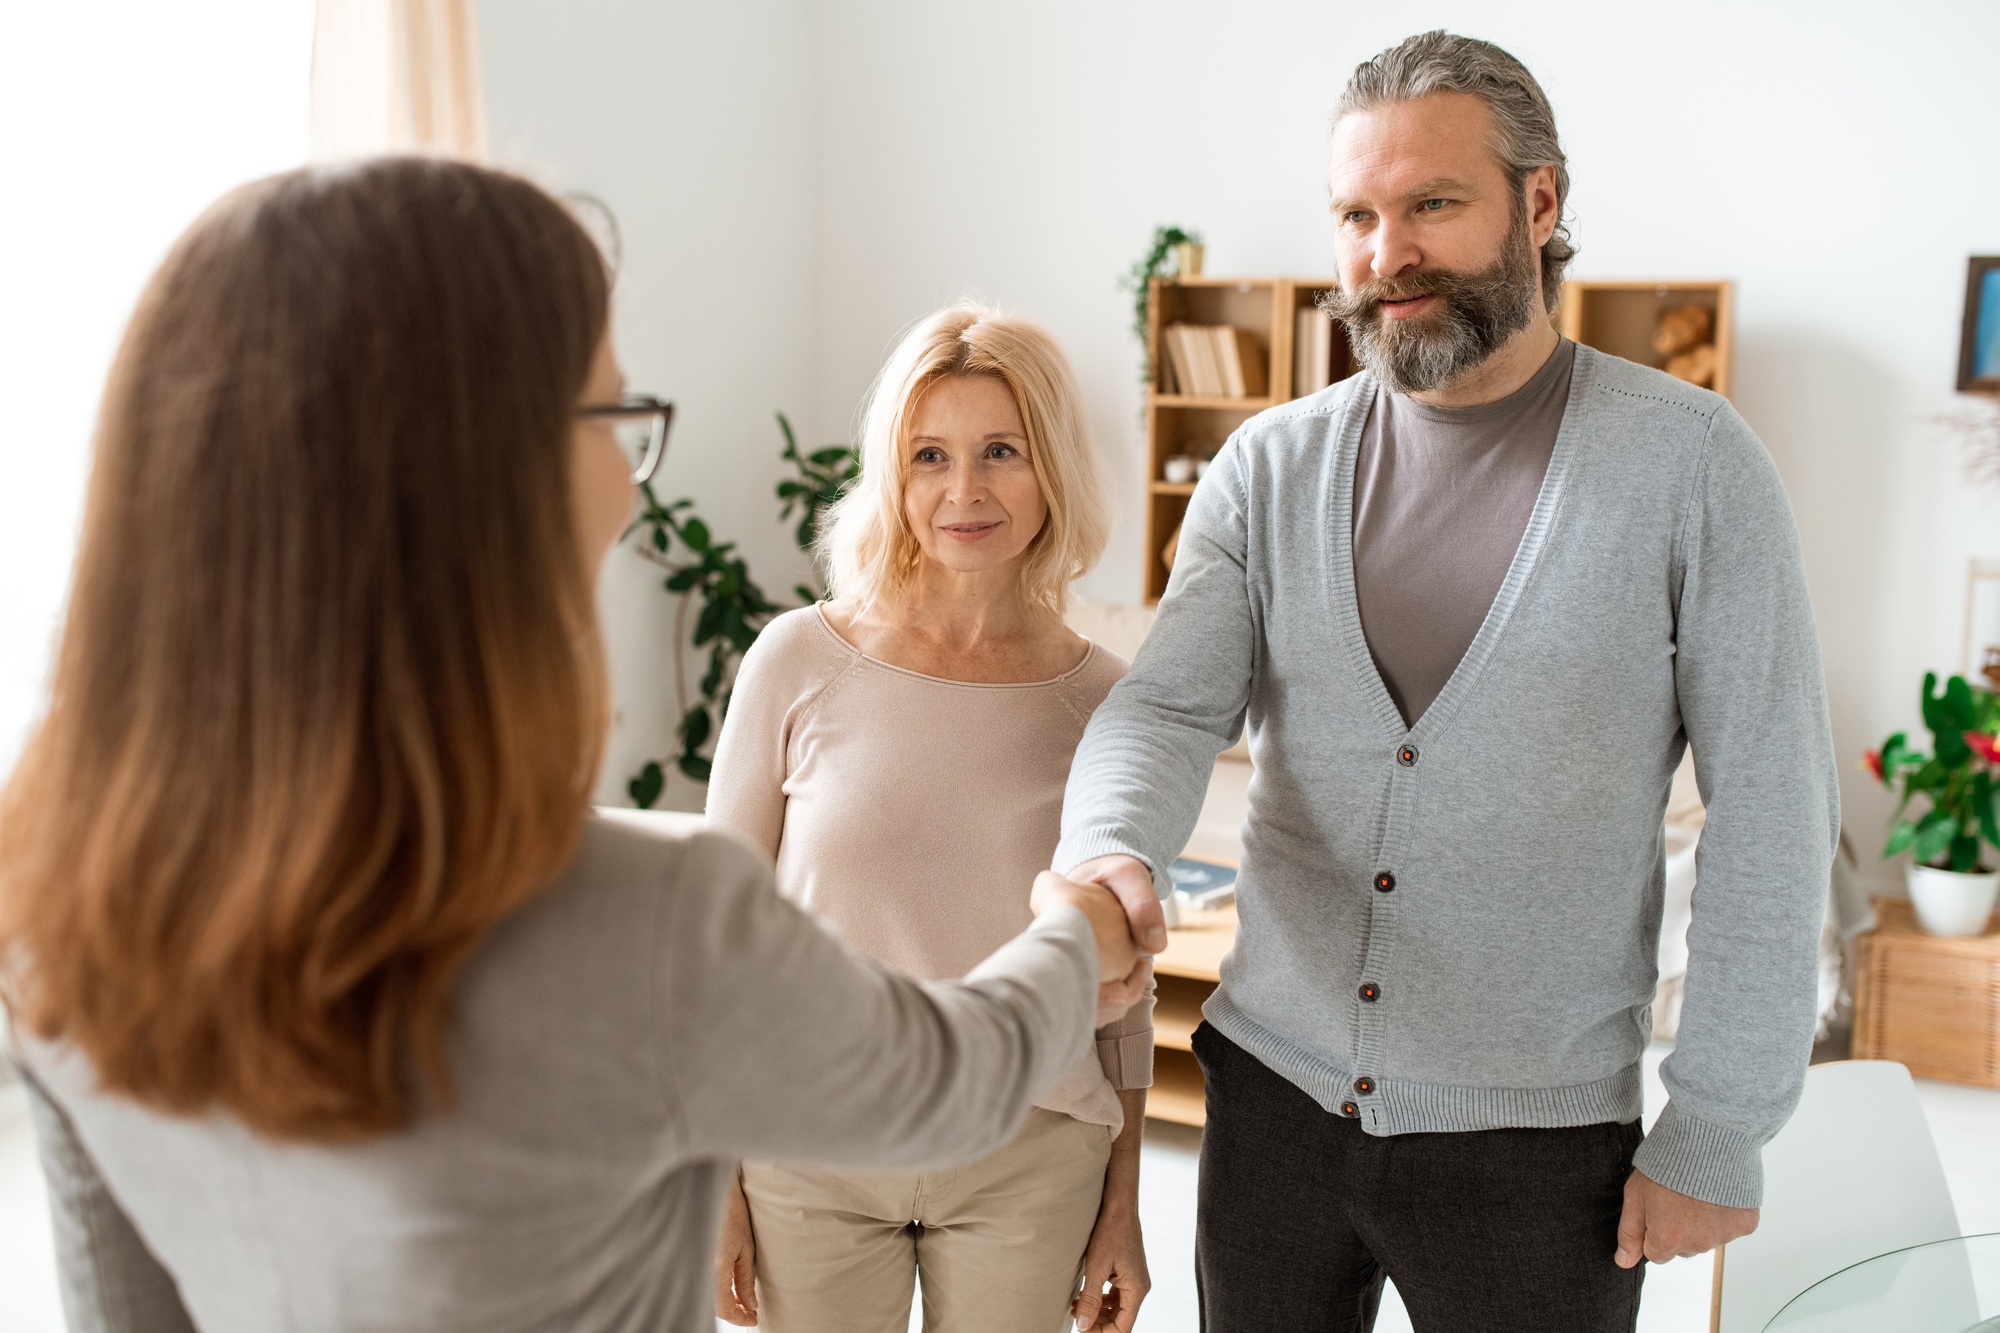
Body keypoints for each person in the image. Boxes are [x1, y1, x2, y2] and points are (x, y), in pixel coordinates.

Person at [0, 158, 1147, 1333]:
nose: (628, 480)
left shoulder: (58, 908)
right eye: (609, 414)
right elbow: (940, 1078)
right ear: (480, 478)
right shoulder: (648, 923)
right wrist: (1077, 936)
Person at [1055, 31, 1839, 1333]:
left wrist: (1717, 1122)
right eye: (1356, 216)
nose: (1387, 252)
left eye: (1431, 203)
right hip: (1270, 1103)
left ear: (1539, 201)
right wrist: (1108, 845)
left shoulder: (1695, 467)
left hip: (1540, 1149)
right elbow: (1168, 706)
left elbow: (1771, 802)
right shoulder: (1265, 468)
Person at [706, 305, 1153, 1333]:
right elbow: (714, 940)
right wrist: (710, 1178)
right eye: (929, 456)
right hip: (811, 1139)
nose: (964, 491)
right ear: (891, 475)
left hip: (1030, 1152)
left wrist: (1123, 1203)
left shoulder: (1105, 699)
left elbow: (1122, 984)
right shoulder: (796, 659)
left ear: (1051, 466)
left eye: (1001, 450)